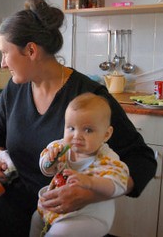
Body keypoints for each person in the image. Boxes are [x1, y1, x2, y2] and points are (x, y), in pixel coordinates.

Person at [0, 0, 156, 237]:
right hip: (19, 200)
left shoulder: (89, 95)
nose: (3, 63)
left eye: (5, 53)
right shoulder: (15, 88)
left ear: (30, 50)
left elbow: (142, 160)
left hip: (72, 213)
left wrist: (89, 194)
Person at [30, 93, 129, 237]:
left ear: (106, 134)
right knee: (36, 219)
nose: (77, 136)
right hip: (61, 208)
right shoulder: (60, 148)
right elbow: (46, 170)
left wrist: (91, 182)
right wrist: (49, 161)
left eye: (88, 130)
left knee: (59, 233)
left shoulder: (107, 159)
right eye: (71, 128)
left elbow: (119, 186)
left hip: (91, 215)